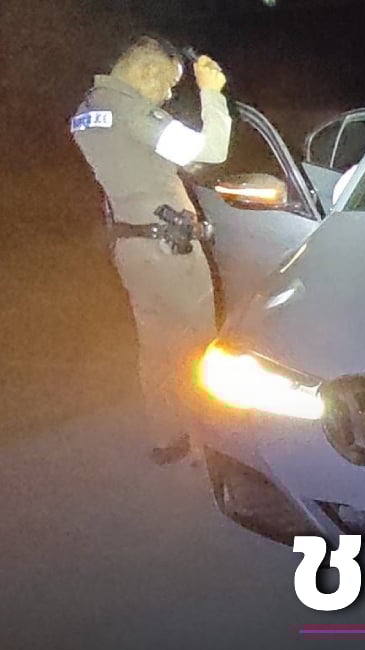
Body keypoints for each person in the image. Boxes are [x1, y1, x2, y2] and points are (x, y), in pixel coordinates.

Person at [71, 36, 230, 466]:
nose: (167, 95)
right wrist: (211, 94)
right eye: (168, 84)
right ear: (145, 70)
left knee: (156, 345)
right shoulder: (133, 112)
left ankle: (167, 436)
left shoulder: (89, 110)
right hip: (169, 250)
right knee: (199, 345)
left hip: (130, 246)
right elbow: (211, 150)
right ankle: (212, 444)